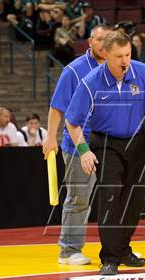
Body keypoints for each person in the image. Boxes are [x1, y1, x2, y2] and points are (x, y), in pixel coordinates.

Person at [64, 31, 145, 276]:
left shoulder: (142, 72)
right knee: (110, 197)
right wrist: (84, 151)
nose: (124, 60)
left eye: (128, 54)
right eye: (119, 56)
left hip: (137, 141)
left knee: (136, 199)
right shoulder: (90, 81)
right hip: (106, 142)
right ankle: (109, 257)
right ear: (106, 55)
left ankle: (122, 250)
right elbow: (72, 121)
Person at [42, 25, 112, 266]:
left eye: (108, 39)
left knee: (114, 198)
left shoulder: (117, 67)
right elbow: (57, 107)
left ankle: (116, 248)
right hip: (78, 145)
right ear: (90, 42)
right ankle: (69, 250)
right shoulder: (74, 70)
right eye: (100, 39)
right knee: (79, 198)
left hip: (108, 144)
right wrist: (51, 137)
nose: (104, 44)